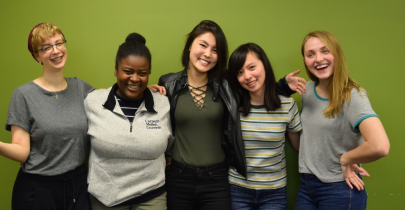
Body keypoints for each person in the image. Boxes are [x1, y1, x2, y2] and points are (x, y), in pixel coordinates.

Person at [153, 20, 303, 210]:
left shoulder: (225, 84)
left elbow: (253, 87)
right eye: (203, 45)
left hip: (217, 178)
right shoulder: (168, 83)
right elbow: (156, 119)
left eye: (215, 50)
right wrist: (141, 92)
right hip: (179, 176)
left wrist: (282, 86)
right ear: (189, 46)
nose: (208, 54)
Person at [0, 23, 94, 210]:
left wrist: (145, 91)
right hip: (38, 192)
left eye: (59, 43)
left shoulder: (81, 88)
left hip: (77, 188)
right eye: (46, 47)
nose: (56, 50)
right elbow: (22, 151)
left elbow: (113, 101)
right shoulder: (23, 95)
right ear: (37, 56)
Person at [295, 30, 390, 210]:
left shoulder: (352, 95)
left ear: (336, 54)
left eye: (325, 51)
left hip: (339, 189)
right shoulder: (306, 91)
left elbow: (380, 146)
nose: (318, 59)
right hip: (307, 187)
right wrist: (283, 85)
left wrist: (346, 158)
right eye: (310, 54)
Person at [84, 33, 172, 210]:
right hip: (105, 197)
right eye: (128, 71)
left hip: (152, 195)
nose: (135, 79)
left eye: (142, 73)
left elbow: (170, 145)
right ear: (116, 70)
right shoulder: (93, 102)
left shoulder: (162, 102)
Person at [226, 43, 302, 210]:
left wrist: (343, 158)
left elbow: (299, 146)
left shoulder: (287, 105)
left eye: (252, 67)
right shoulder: (232, 107)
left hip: (274, 192)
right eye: (240, 72)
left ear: (264, 65)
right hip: (238, 189)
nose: (247, 76)